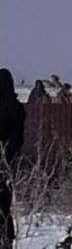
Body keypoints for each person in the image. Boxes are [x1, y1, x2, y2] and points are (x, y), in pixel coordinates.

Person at [0, 69, 26, 249]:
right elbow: (18, 139)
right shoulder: (17, 107)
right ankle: (6, 240)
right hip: (8, 163)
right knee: (4, 205)